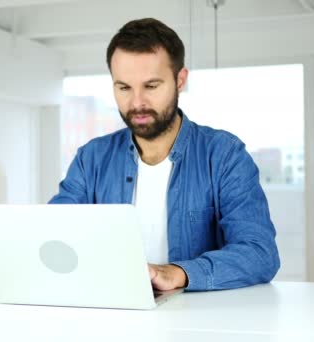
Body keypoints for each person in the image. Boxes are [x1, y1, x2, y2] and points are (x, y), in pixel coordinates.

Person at [49, 18, 280, 292]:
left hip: (196, 324)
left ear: (180, 80)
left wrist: (181, 273)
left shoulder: (224, 155)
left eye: (151, 86)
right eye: (123, 87)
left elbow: (260, 253)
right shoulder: (92, 159)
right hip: (111, 314)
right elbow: (53, 236)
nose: (136, 102)